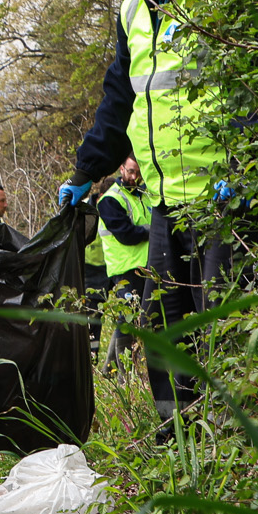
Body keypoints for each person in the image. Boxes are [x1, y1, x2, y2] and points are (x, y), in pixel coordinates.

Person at [56, 0, 258, 436]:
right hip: (162, 203)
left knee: (226, 330)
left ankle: (241, 449)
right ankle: (176, 449)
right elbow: (118, 101)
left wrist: (248, 172)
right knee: (164, 332)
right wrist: (85, 174)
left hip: (224, 202)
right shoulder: (133, 9)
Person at [97, 157, 153, 371]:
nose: (134, 177)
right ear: (121, 168)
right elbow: (126, 235)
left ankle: (111, 368)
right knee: (129, 318)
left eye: (137, 172)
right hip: (125, 268)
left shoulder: (144, 196)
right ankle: (121, 372)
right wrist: (150, 232)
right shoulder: (110, 200)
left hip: (146, 266)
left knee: (133, 317)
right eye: (130, 171)